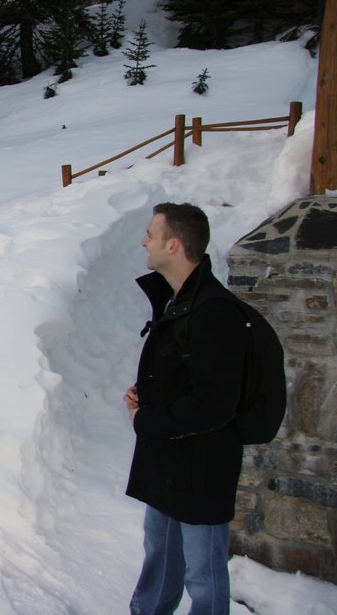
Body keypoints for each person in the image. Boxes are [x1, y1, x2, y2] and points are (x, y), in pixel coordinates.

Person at [124, 203, 249, 614]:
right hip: (167, 460)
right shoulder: (179, 300)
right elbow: (185, 374)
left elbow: (213, 403)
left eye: (151, 234)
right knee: (160, 559)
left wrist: (147, 418)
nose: (144, 240)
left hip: (201, 469)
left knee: (204, 575)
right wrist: (147, 394)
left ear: (173, 244)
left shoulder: (215, 312)